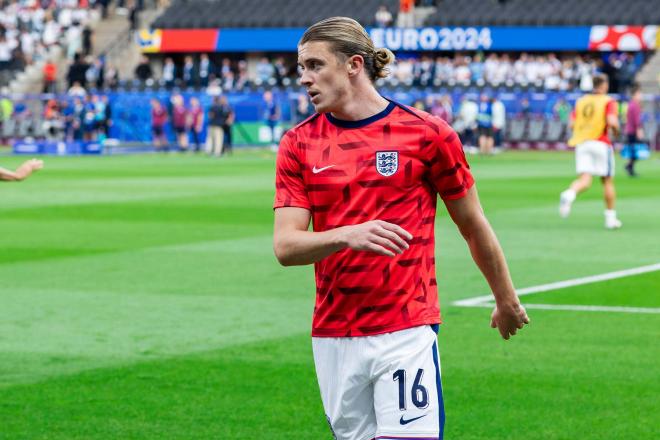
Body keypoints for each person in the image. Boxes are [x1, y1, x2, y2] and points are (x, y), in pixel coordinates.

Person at [273, 17, 529, 440]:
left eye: (315, 65)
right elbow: (285, 246)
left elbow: (472, 223)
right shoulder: (298, 144)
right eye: (301, 68)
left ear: (354, 64)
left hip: (406, 327)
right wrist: (345, 234)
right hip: (333, 333)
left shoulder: (428, 134)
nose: (304, 79)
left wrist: (505, 298)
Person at [559, 73, 622, 229]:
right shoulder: (608, 101)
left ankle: (569, 194)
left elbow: (571, 123)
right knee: (607, 180)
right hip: (600, 142)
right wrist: (616, 131)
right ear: (605, 85)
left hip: (582, 143)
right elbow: (611, 121)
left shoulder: (581, 101)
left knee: (585, 180)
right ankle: (610, 218)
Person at [624, 84, 644, 177]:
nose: (640, 96)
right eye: (639, 94)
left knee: (633, 150)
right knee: (635, 151)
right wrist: (639, 131)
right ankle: (629, 166)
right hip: (633, 131)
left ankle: (629, 166)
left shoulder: (631, 104)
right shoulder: (635, 105)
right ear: (635, 94)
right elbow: (636, 120)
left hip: (629, 130)